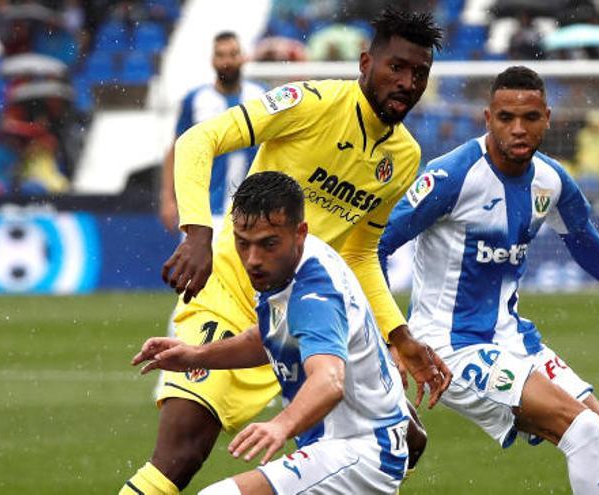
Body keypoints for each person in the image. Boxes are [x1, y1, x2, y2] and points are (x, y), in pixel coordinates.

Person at [120, 8, 450, 495]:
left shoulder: (402, 158)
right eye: (395, 67)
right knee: (183, 452)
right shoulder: (311, 102)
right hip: (230, 291)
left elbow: (360, 254)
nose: (406, 82)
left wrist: (398, 336)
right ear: (365, 63)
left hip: (294, 312)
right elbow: (199, 139)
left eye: (418, 74)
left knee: (404, 441)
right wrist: (197, 232)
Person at [378, 66, 599, 494]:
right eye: (506, 118)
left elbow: (586, 244)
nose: (518, 129)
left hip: (515, 340)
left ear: (548, 118)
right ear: (488, 119)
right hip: (449, 349)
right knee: (582, 429)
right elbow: (373, 248)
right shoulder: (451, 177)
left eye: (530, 118)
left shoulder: (551, 179)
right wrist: (393, 337)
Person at [133, 172, 411, 495]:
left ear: (300, 233)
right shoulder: (289, 264)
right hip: (355, 445)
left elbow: (329, 380)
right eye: (243, 243)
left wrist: (281, 424)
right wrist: (195, 355)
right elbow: (271, 337)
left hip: (356, 452)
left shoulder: (313, 295)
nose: (253, 259)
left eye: (268, 243)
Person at [158, 31, 265, 233]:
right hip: (206, 212)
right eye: (221, 55)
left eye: (233, 54)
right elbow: (176, 149)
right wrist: (167, 198)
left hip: (254, 212)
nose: (227, 61)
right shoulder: (196, 100)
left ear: (243, 57)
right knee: (201, 264)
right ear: (212, 60)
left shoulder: (260, 96)